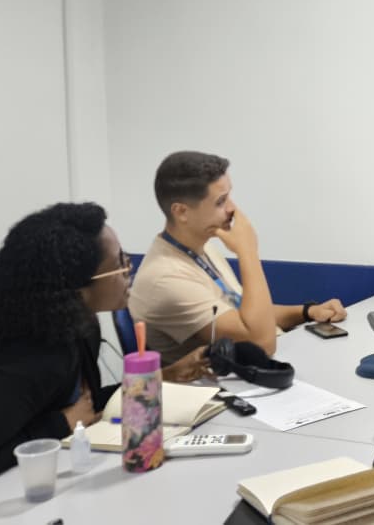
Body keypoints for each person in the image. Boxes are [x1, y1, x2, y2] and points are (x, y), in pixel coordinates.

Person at [0, 203, 211, 490]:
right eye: (119, 261)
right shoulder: (34, 361)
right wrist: (61, 423)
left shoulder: (79, 329)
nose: (127, 269)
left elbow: (84, 406)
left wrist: (162, 376)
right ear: (79, 286)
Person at [128, 151, 345, 366]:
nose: (232, 208)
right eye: (221, 201)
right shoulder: (166, 277)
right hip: (224, 391)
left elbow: (245, 314)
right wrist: (247, 251)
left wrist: (307, 312)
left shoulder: (203, 247)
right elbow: (261, 343)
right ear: (182, 212)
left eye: (229, 196)